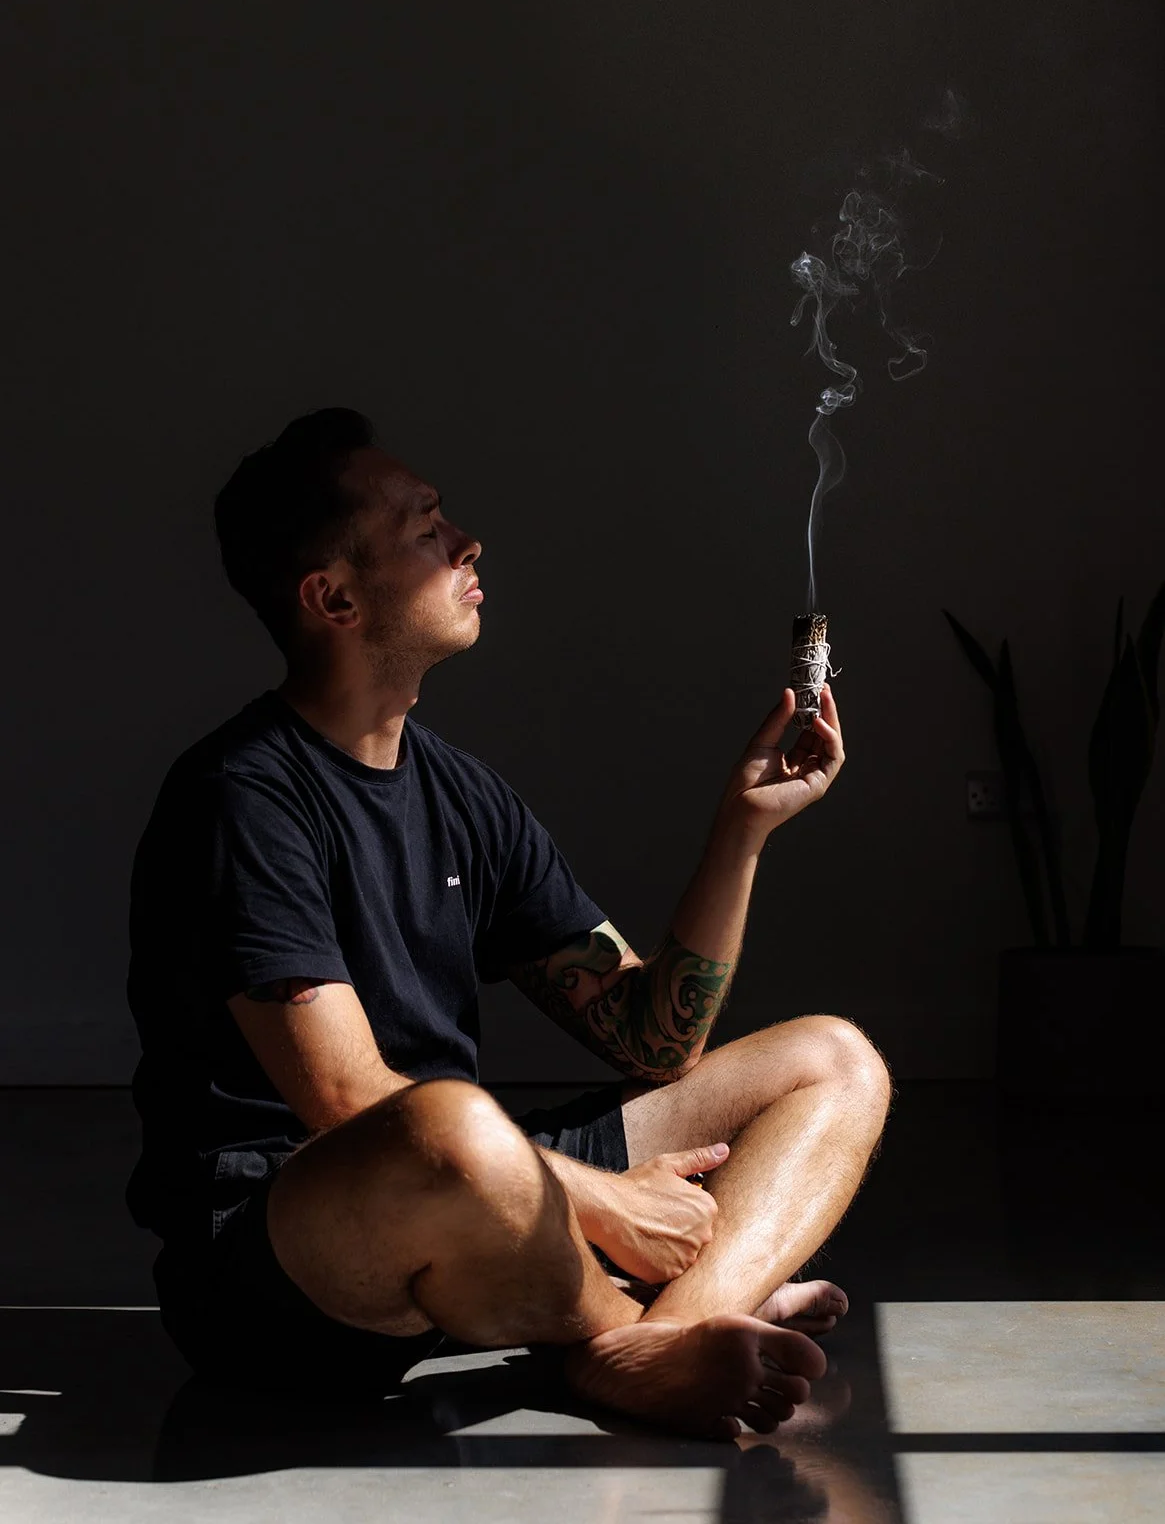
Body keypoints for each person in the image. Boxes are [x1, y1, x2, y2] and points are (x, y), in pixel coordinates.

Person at [125, 407, 891, 1442]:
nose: (467, 543)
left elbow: (651, 1039)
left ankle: (659, 1335)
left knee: (833, 1060)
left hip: (478, 1186)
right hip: (284, 1258)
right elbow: (343, 1100)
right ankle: (642, 1320)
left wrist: (741, 830)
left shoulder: (461, 793)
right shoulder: (243, 796)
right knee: (452, 1124)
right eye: (424, 527)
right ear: (334, 597)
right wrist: (599, 1200)